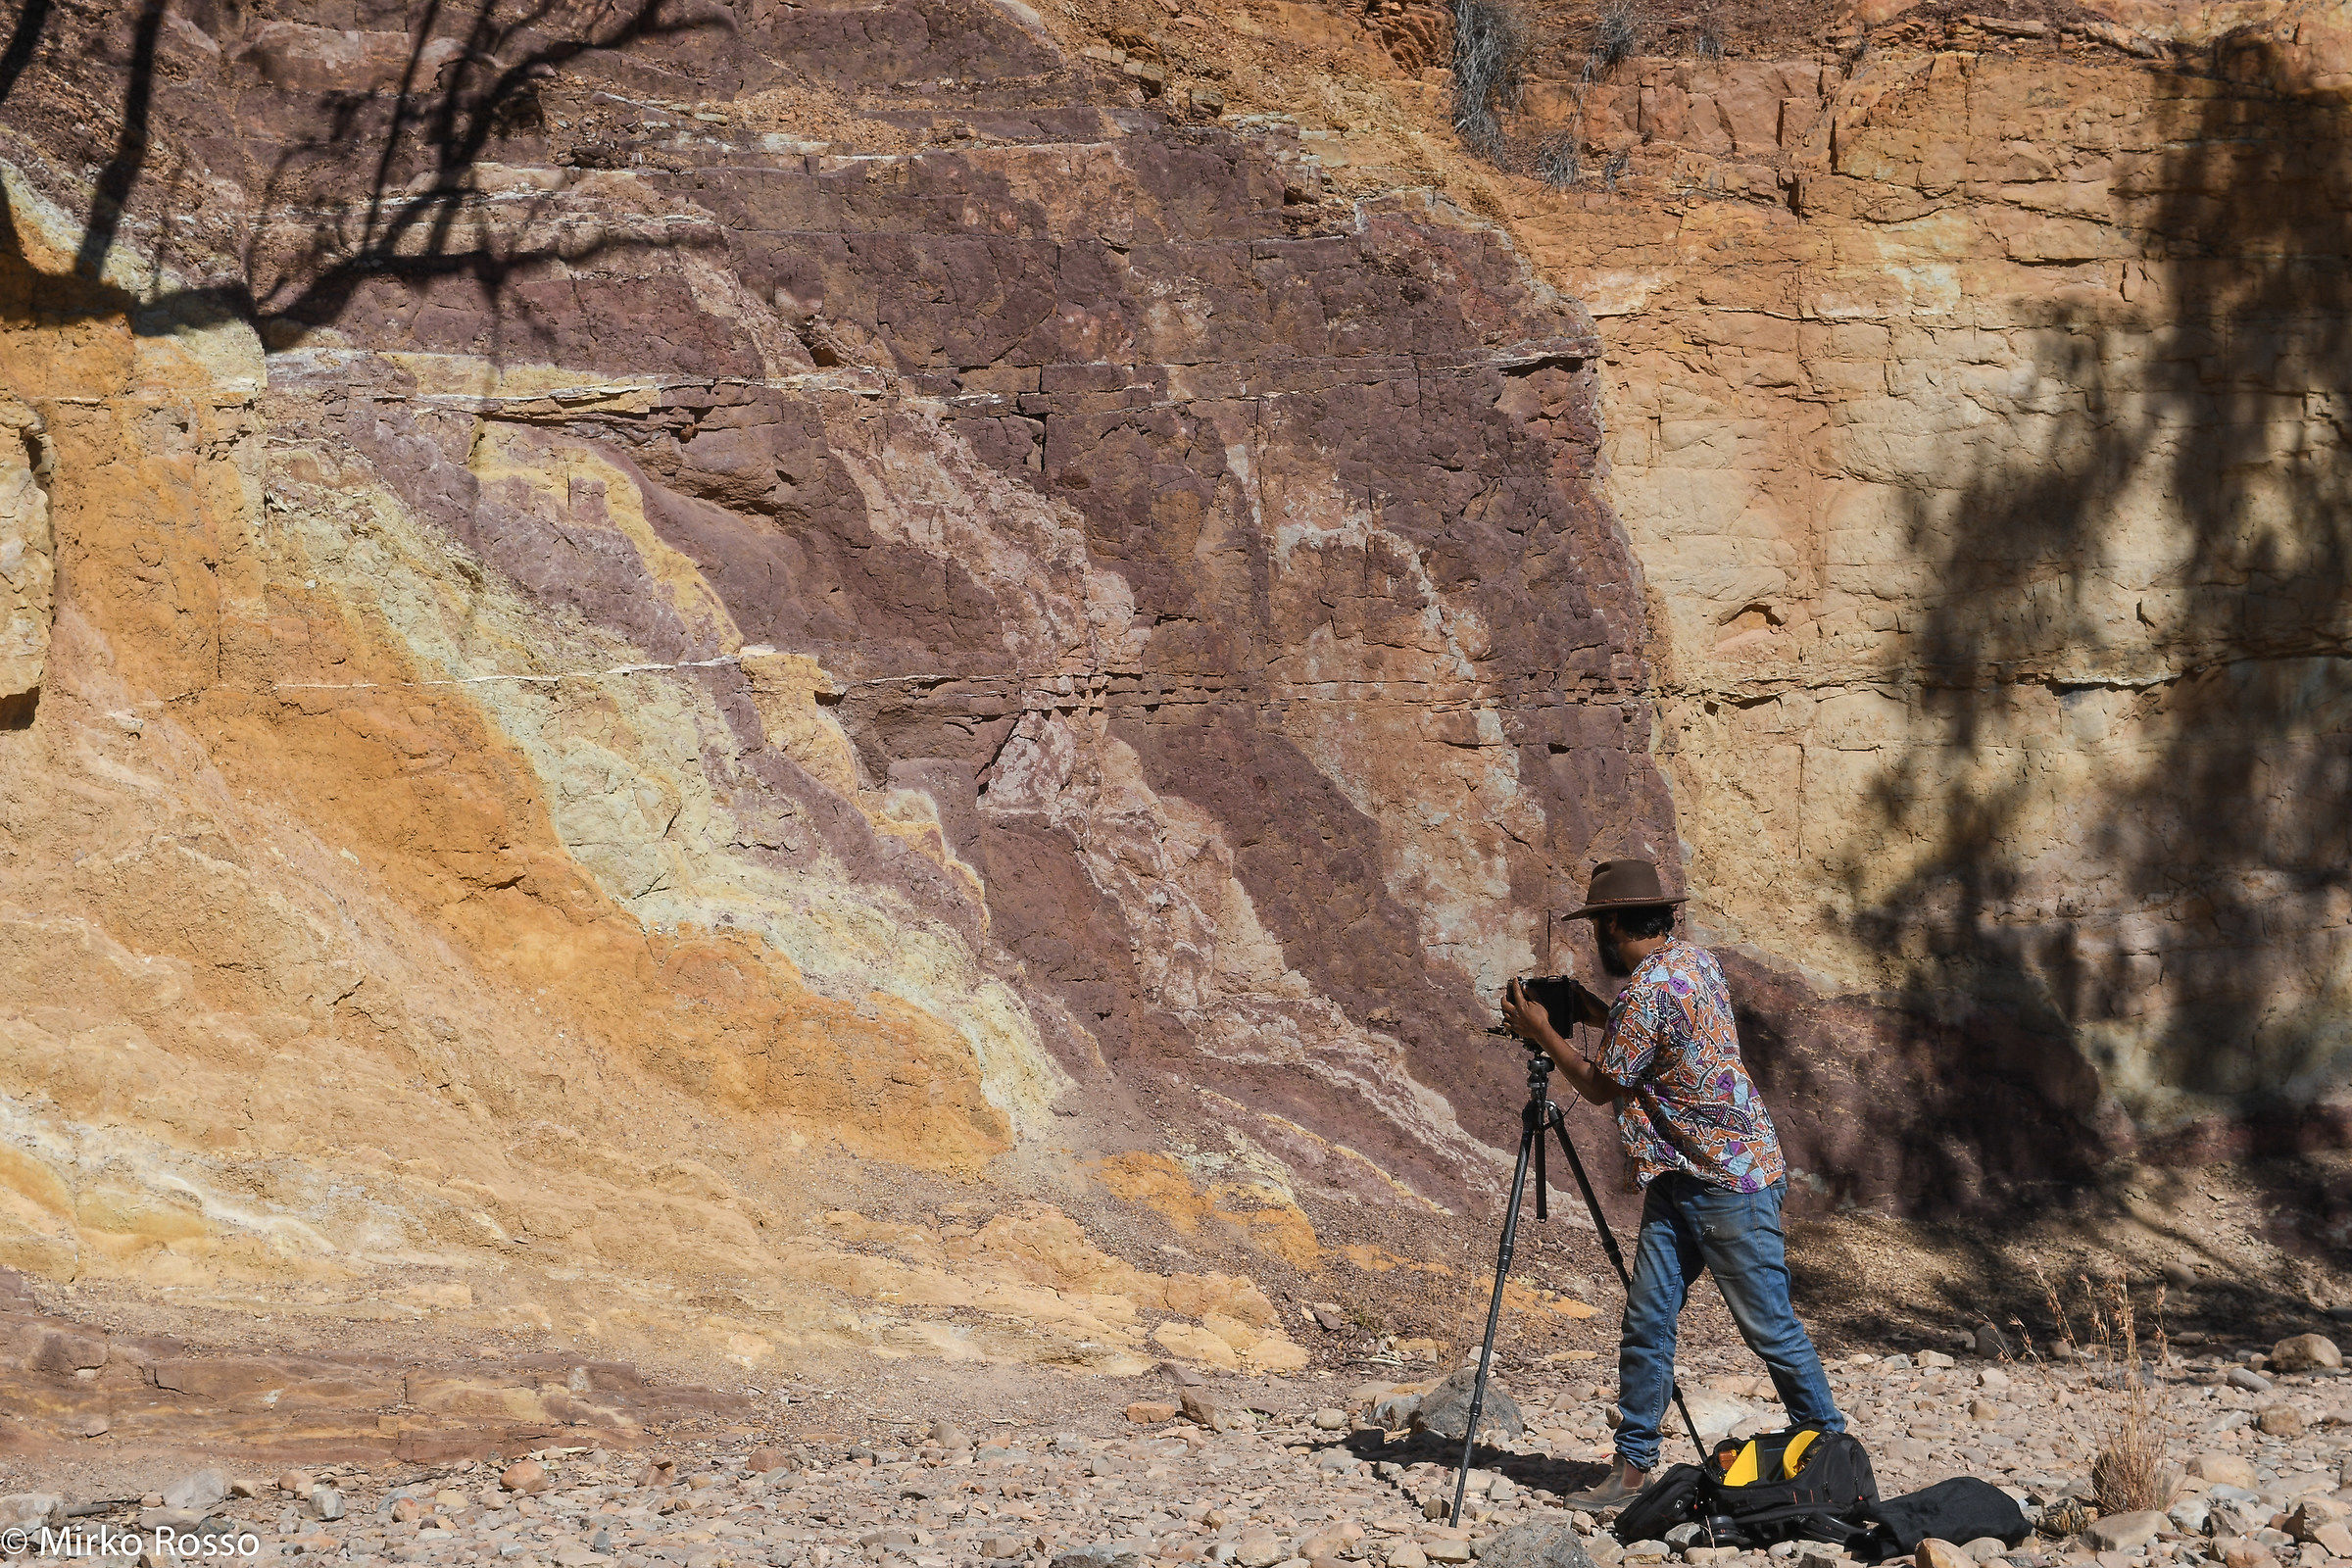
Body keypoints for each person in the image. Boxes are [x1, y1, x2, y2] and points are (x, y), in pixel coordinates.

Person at [1500, 858, 1844, 1509]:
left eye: (1600, 924)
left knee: (1768, 1327)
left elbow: (1603, 1086)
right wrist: (1585, 1013)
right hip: (1686, 1172)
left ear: (1616, 923)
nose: (1597, 938)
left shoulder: (1646, 993)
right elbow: (1652, 1034)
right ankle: (1632, 1470)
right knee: (1650, 1317)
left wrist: (1544, 1029)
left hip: (1724, 1183)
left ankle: (1832, 1454)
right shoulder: (1693, 962)